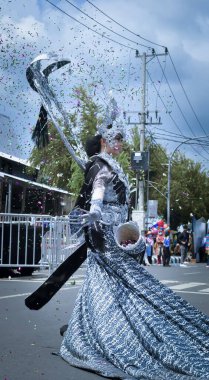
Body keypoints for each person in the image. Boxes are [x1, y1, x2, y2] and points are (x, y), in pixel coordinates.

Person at [59, 106, 209, 380]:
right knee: (105, 282)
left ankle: (87, 325)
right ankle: (90, 326)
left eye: (121, 138)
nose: (121, 143)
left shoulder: (110, 164)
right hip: (103, 235)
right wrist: (94, 210)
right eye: (117, 138)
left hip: (113, 234)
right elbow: (98, 190)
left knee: (117, 284)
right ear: (105, 140)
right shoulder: (100, 165)